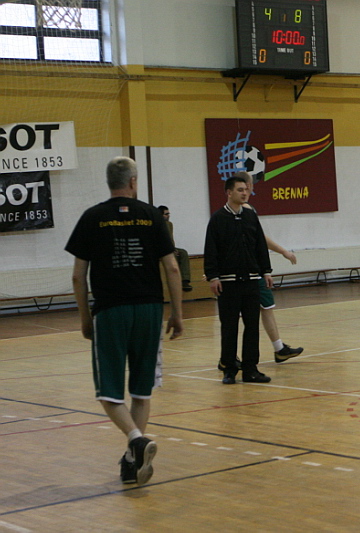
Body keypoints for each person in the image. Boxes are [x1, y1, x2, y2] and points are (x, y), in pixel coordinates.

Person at [65, 156, 184, 485]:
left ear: (110, 182)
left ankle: (136, 440)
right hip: (149, 310)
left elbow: (78, 276)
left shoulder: (92, 217)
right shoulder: (152, 215)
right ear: (133, 182)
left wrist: (85, 318)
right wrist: (177, 313)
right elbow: (173, 268)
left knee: (109, 393)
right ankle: (132, 461)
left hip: (111, 311)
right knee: (142, 392)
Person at [204, 175, 273, 384]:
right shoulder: (217, 219)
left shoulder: (251, 216)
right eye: (240, 190)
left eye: (246, 189)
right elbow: (211, 250)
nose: (245, 193)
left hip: (251, 281)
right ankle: (229, 369)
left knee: (252, 327)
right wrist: (213, 276)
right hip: (228, 283)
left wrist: (266, 271)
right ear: (229, 192)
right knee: (229, 327)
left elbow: (260, 245)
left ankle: (251, 369)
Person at [238, 171, 303, 364]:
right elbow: (261, 238)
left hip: (247, 269)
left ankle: (278, 348)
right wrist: (283, 251)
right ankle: (276, 349)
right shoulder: (245, 210)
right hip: (249, 269)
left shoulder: (234, 211)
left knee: (261, 308)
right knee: (258, 310)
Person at [157, 205, 193, 292]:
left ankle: (185, 280)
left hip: (169, 247)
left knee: (183, 253)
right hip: (159, 248)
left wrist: (173, 248)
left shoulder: (169, 224)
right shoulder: (157, 224)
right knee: (173, 256)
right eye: (166, 214)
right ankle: (175, 281)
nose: (168, 216)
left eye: (168, 214)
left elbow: (170, 239)